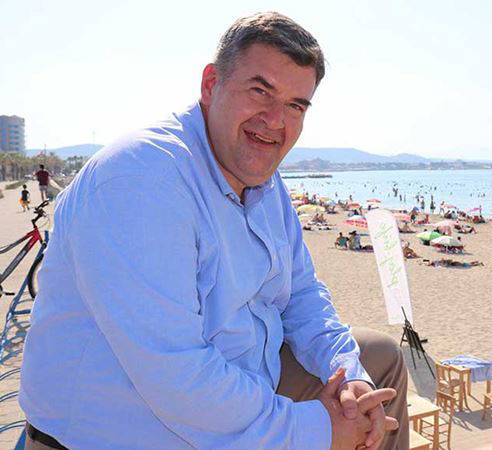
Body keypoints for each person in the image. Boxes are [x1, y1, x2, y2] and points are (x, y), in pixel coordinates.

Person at [20, 13, 406, 450]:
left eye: (296, 106)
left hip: (237, 379)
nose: (275, 120)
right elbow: (177, 375)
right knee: (336, 425)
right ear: (210, 84)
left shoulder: (263, 179)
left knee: (378, 368)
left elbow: (301, 294)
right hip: (132, 426)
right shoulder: (143, 179)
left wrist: (348, 374)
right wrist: (318, 429)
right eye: (260, 91)